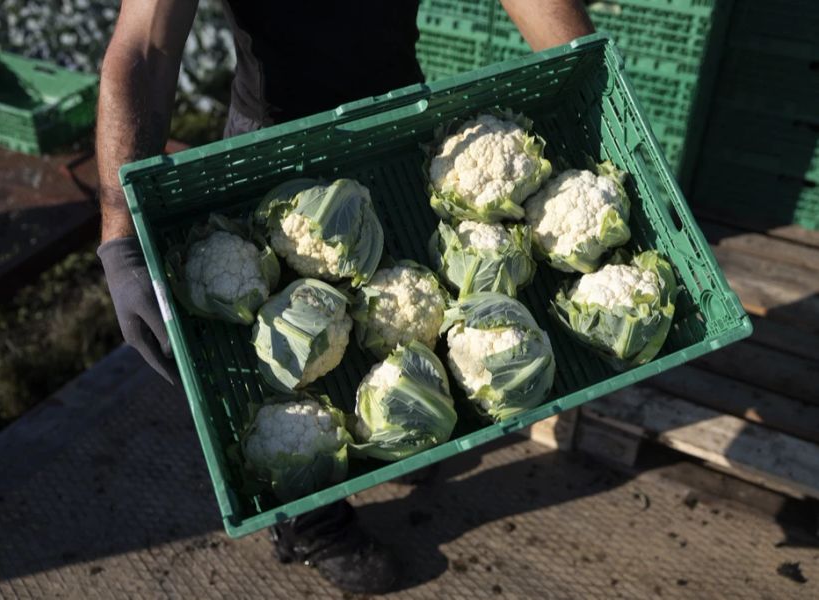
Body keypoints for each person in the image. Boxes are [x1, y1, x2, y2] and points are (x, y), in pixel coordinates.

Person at [96, 0, 593, 594]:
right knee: (283, 368)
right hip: (271, 144)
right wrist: (119, 239)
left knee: (403, 306)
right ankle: (312, 525)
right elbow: (144, 49)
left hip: (397, 119)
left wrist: (587, 85)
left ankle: (402, 431)